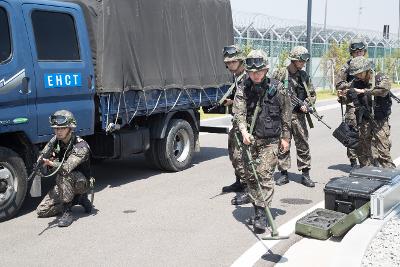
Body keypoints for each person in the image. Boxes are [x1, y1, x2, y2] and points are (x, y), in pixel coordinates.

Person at [234, 50, 291, 233]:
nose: (255, 75)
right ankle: (258, 207)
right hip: (249, 140)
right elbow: (239, 113)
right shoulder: (243, 87)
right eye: (251, 72)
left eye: (258, 71)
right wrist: (243, 132)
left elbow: (286, 114)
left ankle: (260, 215)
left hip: (271, 140)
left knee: (264, 174)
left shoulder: (278, 88)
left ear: (266, 70)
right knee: (251, 176)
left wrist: (286, 138)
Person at [36, 110, 92, 227]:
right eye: (56, 129)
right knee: (42, 210)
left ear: (70, 129)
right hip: (65, 184)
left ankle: (67, 211)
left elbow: (66, 168)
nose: (58, 131)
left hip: (81, 182)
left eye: (62, 128)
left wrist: (51, 163)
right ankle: (78, 200)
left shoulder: (81, 146)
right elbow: (44, 154)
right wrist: (39, 163)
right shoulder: (55, 140)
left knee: (63, 174)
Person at [273, 46, 316, 187]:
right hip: (282, 116)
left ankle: (305, 174)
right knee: (283, 143)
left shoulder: (304, 76)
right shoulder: (280, 73)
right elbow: (271, 91)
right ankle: (283, 173)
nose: (303, 63)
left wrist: (305, 104)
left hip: (298, 115)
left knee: (303, 142)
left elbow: (312, 94)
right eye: (301, 61)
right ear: (294, 60)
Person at [346, 56, 395, 168]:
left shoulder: (380, 78)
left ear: (366, 69)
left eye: (360, 73)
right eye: (355, 74)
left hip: (380, 120)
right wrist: (344, 95)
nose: (358, 76)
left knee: (383, 152)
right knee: (363, 151)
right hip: (365, 120)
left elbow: (383, 90)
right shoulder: (356, 82)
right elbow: (349, 97)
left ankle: (392, 178)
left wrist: (364, 91)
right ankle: (366, 174)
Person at [220, 45, 250, 205]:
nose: (229, 65)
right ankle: (239, 181)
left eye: (232, 62)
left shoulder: (248, 76)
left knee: (242, 156)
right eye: (228, 63)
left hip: (246, 123)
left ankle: (247, 188)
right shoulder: (236, 77)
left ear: (240, 60)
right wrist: (231, 102)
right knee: (233, 153)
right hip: (236, 121)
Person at [336, 38, 368, 169]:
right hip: (352, 105)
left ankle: (366, 161)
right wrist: (353, 85)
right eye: (356, 52)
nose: (359, 53)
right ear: (352, 53)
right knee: (353, 132)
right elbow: (339, 84)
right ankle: (354, 162)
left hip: (366, 103)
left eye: (361, 51)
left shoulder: (368, 65)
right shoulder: (346, 67)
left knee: (366, 132)